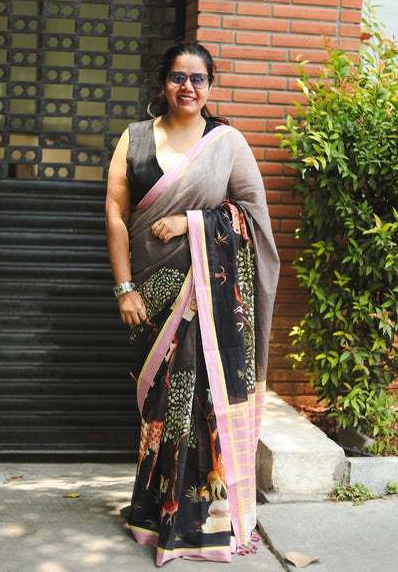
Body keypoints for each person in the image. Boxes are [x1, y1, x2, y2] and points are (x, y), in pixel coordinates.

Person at [105, 41, 279, 566]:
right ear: (164, 82)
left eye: (199, 78)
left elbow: (253, 217)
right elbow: (115, 214)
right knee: (160, 406)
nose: (188, 87)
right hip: (149, 296)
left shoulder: (226, 143)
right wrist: (124, 287)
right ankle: (153, 511)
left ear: (211, 86)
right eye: (179, 77)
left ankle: (201, 518)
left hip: (210, 303)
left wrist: (193, 222)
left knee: (196, 404)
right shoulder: (134, 138)